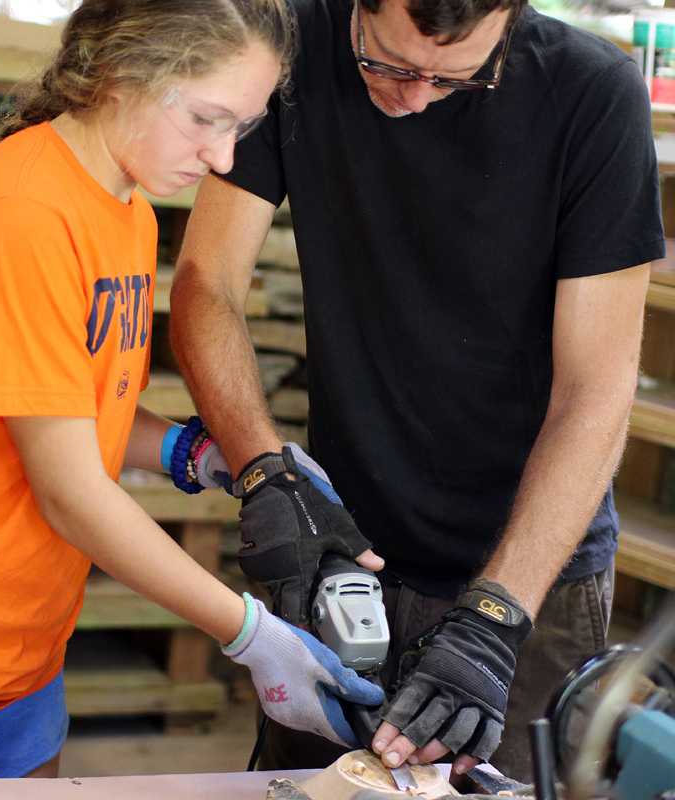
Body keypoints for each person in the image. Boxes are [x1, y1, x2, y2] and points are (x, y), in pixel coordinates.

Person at [0, 0, 386, 779]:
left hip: (21, 650)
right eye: (207, 120)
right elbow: (72, 491)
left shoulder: (128, 208)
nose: (222, 158)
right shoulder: (27, 215)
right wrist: (250, 633)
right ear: (120, 75)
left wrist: (211, 456)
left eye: (242, 129)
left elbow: (81, 408)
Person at [168, 0, 665, 782]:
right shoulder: (291, 44)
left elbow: (595, 392)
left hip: (534, 572)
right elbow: (207, 284)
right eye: (387, 64)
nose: (415, 97)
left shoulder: (592, 92)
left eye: (456, 79)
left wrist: (496, 617)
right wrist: (268, 474)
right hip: (343, 552)